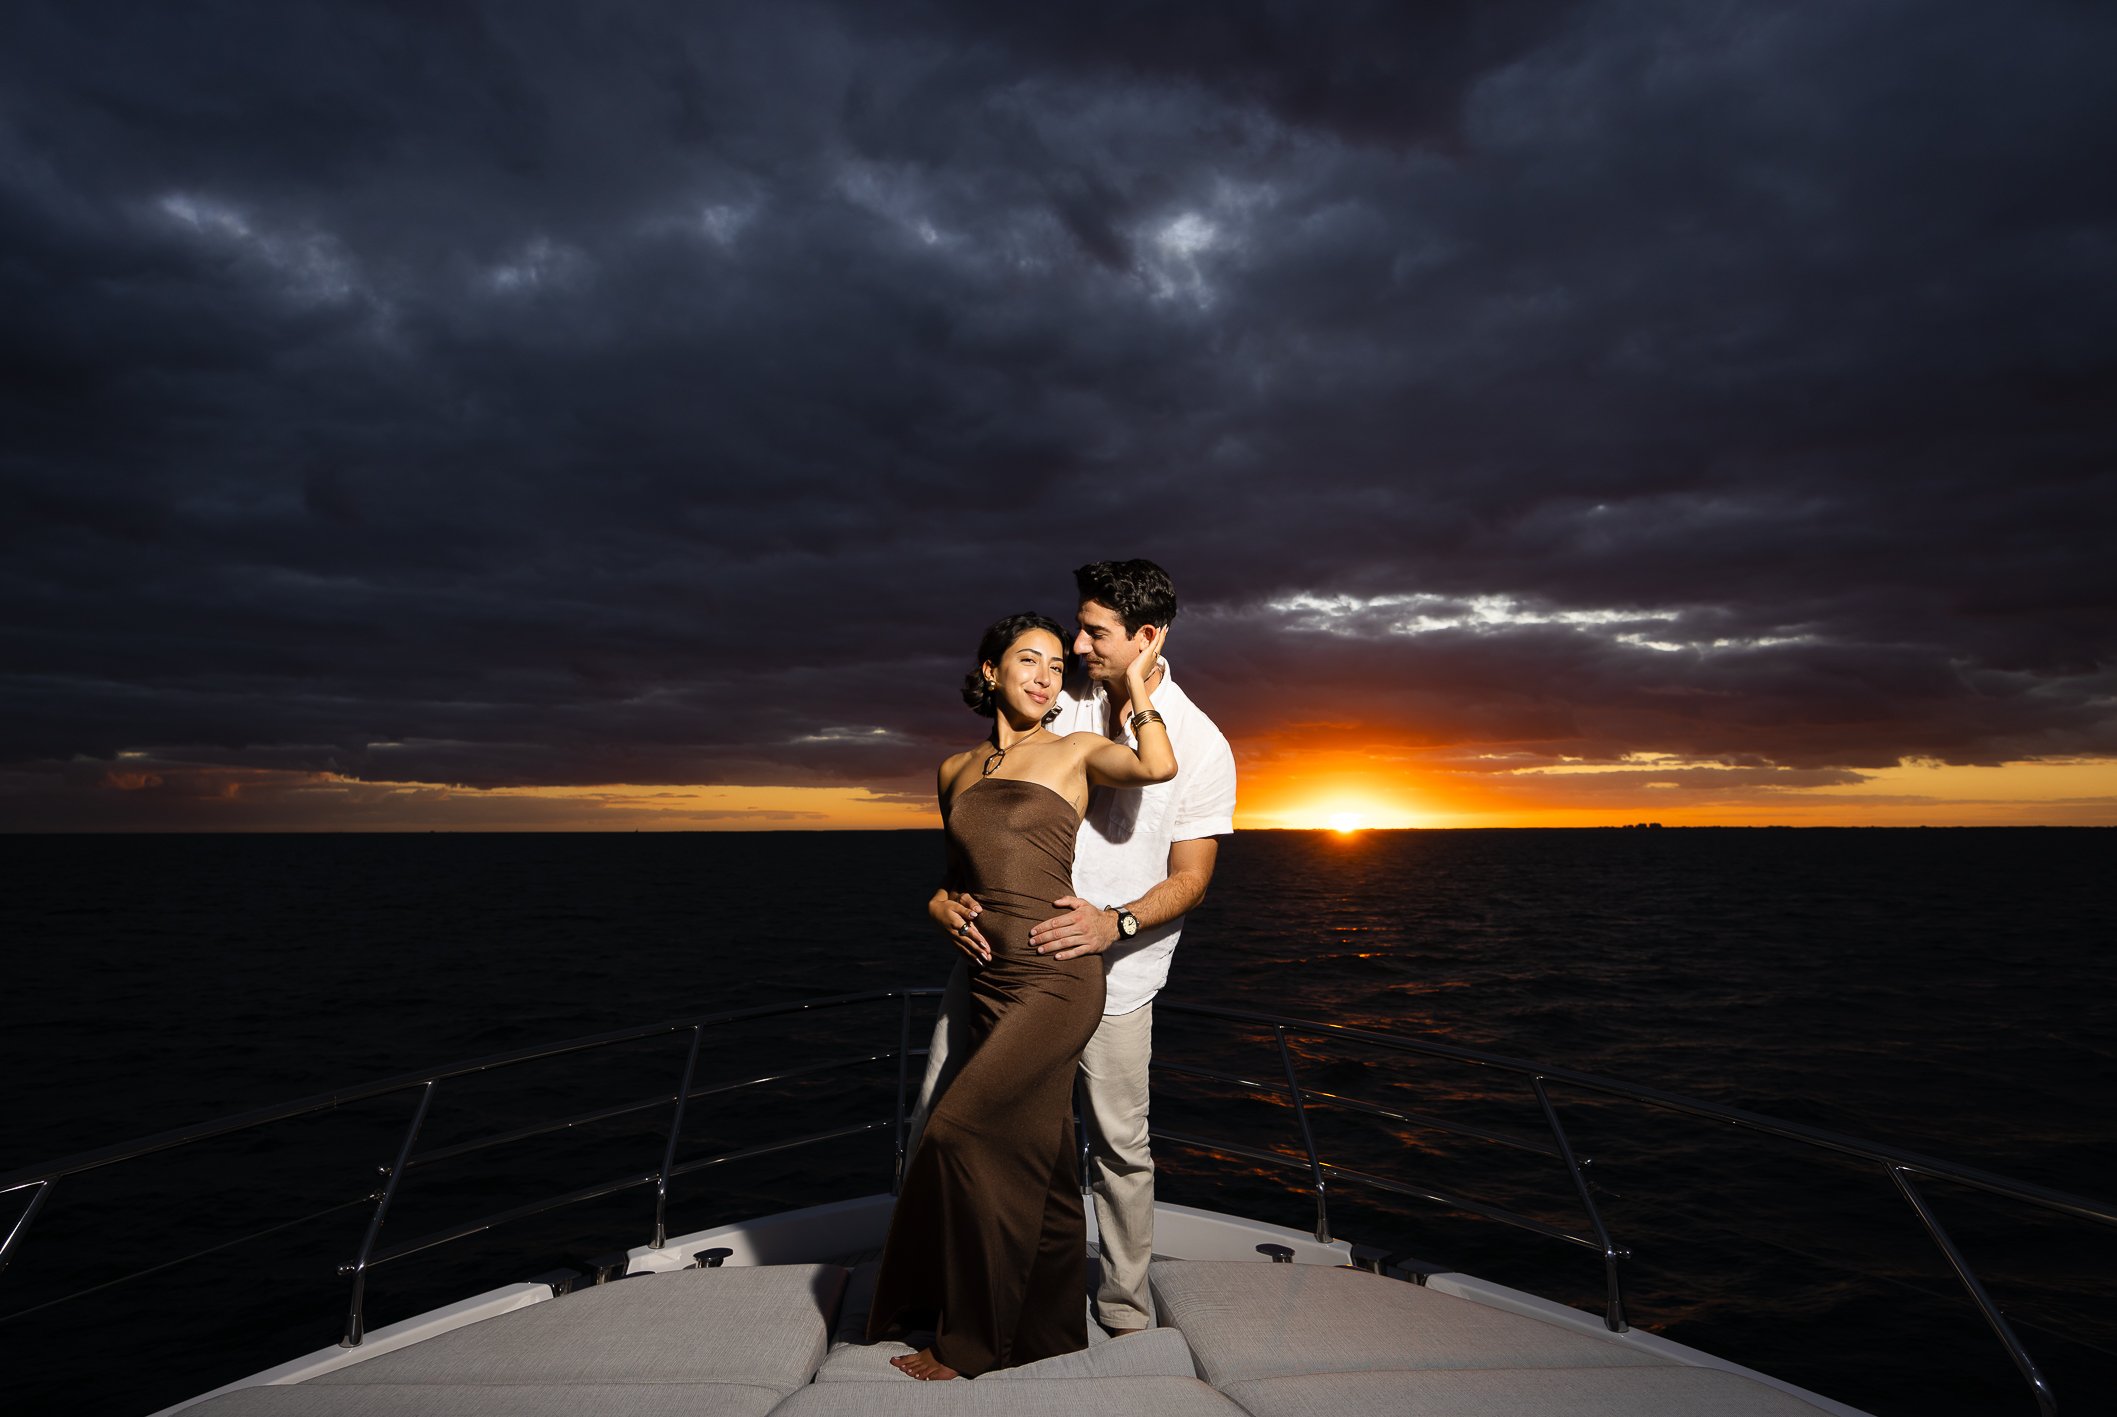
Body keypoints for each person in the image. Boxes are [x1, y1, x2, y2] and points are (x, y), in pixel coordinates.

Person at [915, 559, 1236, 1340]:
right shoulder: (1060, 695)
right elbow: (983, 809)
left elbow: (1191, 879)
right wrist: (942, 899)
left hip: (1113, 975)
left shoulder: (1201, 746)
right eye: (1075, 628)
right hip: (995, 964)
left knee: (1118, 1147)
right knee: (937, 1115)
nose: (1075, 644)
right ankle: (939, 1294)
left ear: (1147, 636)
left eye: (1093, 632)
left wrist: (1114, 924)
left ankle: (1122, 1313)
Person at [865, 610, 1176, 1380]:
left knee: (955, 1132)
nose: (1044, 676)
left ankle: (968, 1338)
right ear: (988, 672)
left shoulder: (1073, 751)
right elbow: (955, 878)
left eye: (1053, 665)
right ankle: (1045, 1331)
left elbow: (1157, 766)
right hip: (988, 981)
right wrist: (937, 908)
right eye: (1026, 661)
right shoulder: (954, 770)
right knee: (1041, 1158)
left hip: (1058, 978)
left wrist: (1134, 682)